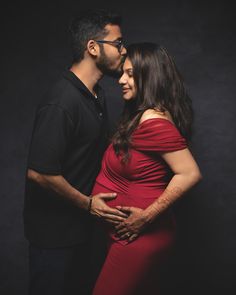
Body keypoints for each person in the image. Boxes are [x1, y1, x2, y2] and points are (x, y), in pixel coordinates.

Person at [23, 9, 127, 295]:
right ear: (92, 47)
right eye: (118, 44)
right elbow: (39, 173)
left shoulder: (97, 95)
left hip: (85, 231)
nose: (124, 50)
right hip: (54, 237)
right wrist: (88, 205)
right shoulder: (61, 100)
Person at [91, 42, 202, 295]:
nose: (121, 80)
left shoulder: (154, 120)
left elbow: (190, 173)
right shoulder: (139, 115)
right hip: (127, 234)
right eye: (122, 72)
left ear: (149, 77)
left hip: (139, 237)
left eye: (130, 74)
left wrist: (147, 216)